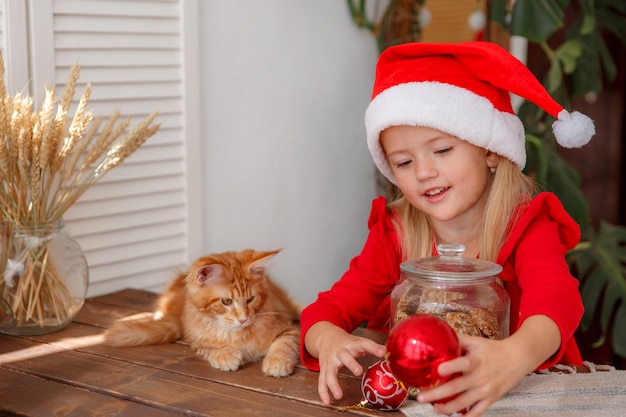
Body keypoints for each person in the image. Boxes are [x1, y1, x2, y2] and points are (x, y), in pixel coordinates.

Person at [300, 41, 594, 417]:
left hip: (527, 396)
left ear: (489, 150)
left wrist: (515, 355)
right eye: (404, 162)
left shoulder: (526, 224)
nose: (424, 172)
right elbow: (330, 307)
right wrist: (327, 339)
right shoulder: (396, 231)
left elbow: (557, 298)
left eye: (442, 151)